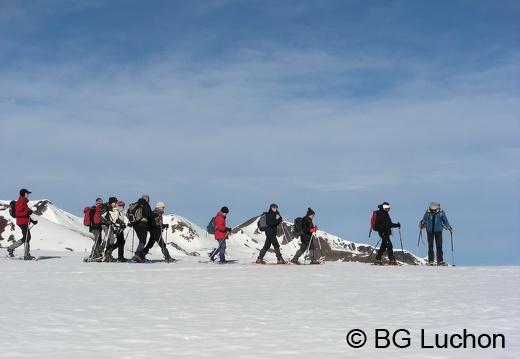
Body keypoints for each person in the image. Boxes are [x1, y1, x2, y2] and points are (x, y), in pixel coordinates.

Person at [7, 189, 38, 260]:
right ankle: (15, 250)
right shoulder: (21, 202)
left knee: (27, 237)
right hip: (22, 222)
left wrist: (32, 221)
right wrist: (27, 213)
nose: (28, 195)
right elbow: (18, 213)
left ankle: (13, 249)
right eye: (27, 193)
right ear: (24, 194)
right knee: (27, 237)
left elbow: (26, 214)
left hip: (24, 221)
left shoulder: (24, 202)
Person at [131, 195, 157, 262]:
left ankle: (140, 256)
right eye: (149, 200)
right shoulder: (145, 204)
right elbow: (149, 214)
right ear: (147, 199)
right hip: (142, 224)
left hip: (135, 224)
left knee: (141, 240)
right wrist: (157, 215)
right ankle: (137, 255)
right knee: (143, 240)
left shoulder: (135, 204)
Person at [100, 197, 126, 262]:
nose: (115, 204)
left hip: (111, 226)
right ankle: (100, 250)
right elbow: (100, 217)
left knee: (111, 240)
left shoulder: (113, 208)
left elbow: (114, 219)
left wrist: (120, 223)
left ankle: (107, 254)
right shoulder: (107, 208)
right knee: (110, 240)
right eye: (114, 202)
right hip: (106, 225)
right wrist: (107, 221)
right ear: (111, 202)